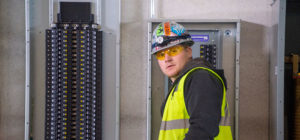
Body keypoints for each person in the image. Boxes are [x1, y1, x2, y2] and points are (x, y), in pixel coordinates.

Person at [151, 21, 233, 140]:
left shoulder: (200, 77)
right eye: (160, 54)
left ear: (188, 51)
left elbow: (202, 130)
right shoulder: (180, 86)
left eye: (173, 50)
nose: (166, 59)